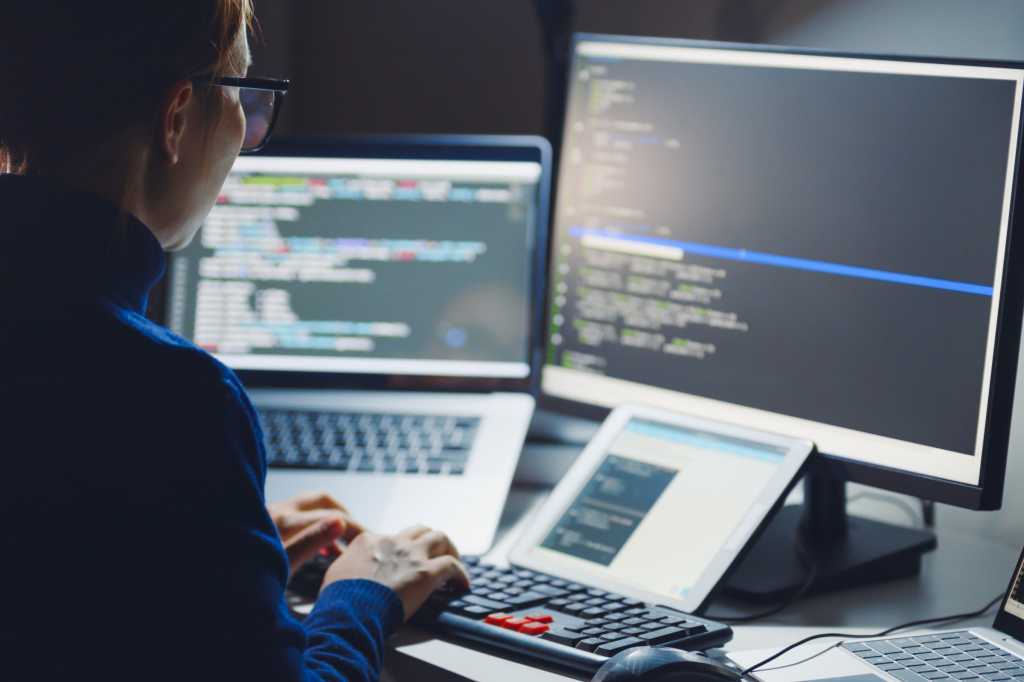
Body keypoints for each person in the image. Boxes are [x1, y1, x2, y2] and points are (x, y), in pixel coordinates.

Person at [0, 2, 470, 681]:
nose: (247, 132)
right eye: (242, 96)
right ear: (177, 116)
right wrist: (361, 594)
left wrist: (205, 549)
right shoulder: (172, 398)